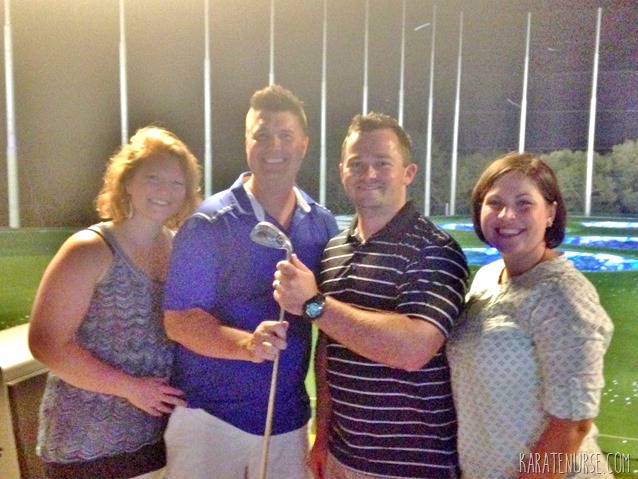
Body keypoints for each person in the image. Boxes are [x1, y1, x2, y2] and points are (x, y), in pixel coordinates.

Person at [273, 112, 469, 479]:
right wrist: (323, 435)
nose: (369, 173)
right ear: (342, 172)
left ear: (408, 173)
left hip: (412, 466)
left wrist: (314, 304)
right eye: (356, 164)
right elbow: (329, 349)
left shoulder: (435, 249)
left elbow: (414, 349)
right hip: (342, 457)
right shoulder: (334, 250)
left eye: (382, 163)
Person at [162, 84, 339, 479]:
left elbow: (329, 330)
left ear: (304, 144)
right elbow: (180, 320)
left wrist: (325, 423)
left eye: (285, 135)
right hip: (210, 420)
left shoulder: (321, 224)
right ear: (246, 142)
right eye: (261, 135)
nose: (274, 146)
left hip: (288, 422)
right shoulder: (210, 222)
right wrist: (247, 345)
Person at [28, 126, 202, 479]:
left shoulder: (179, 250)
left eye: (176, 183)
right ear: (128, 182)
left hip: (156, 441)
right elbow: (46, 343)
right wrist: (130, 388)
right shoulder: (89, 249)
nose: (165, 191)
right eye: (153, 178)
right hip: (86, 446)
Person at [446, 152, 615, 478]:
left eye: (524, 204)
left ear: (550, 212)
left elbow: (573, 424)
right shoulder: (488, 277)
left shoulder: (563, 294)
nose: (507, 215)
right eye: (494, 203)